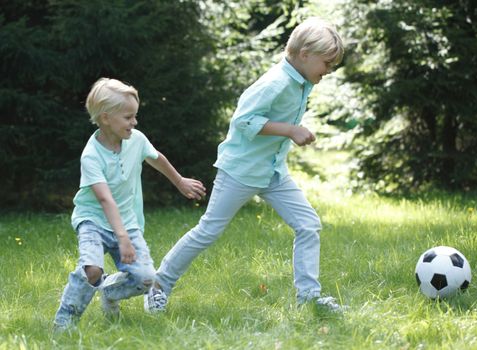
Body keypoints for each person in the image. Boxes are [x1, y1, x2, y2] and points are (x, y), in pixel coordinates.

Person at [144, 18, 346, 313]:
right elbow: (243, 120)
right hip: (240, 171)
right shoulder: (276, 82)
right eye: (326, 63)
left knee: (308, 224)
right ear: (305, 54)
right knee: (208, 231)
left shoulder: (301, 81)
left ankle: (308, 298)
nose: (328, 70)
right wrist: (290, 130)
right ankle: (159, 284)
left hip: (273, 172)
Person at [53, 78, 206, 331]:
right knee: (91, 270)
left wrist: (179, 182)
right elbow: (104, 199)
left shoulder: (136, 139)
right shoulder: (91, 155)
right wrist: (121, 237)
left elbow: (157, 158)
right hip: (93, 220)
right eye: (128, 117)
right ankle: (65, 322)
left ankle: (110, 292)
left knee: (146, 279)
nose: (134, 122)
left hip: (128, 221)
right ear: (105, 118)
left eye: (135, 116)